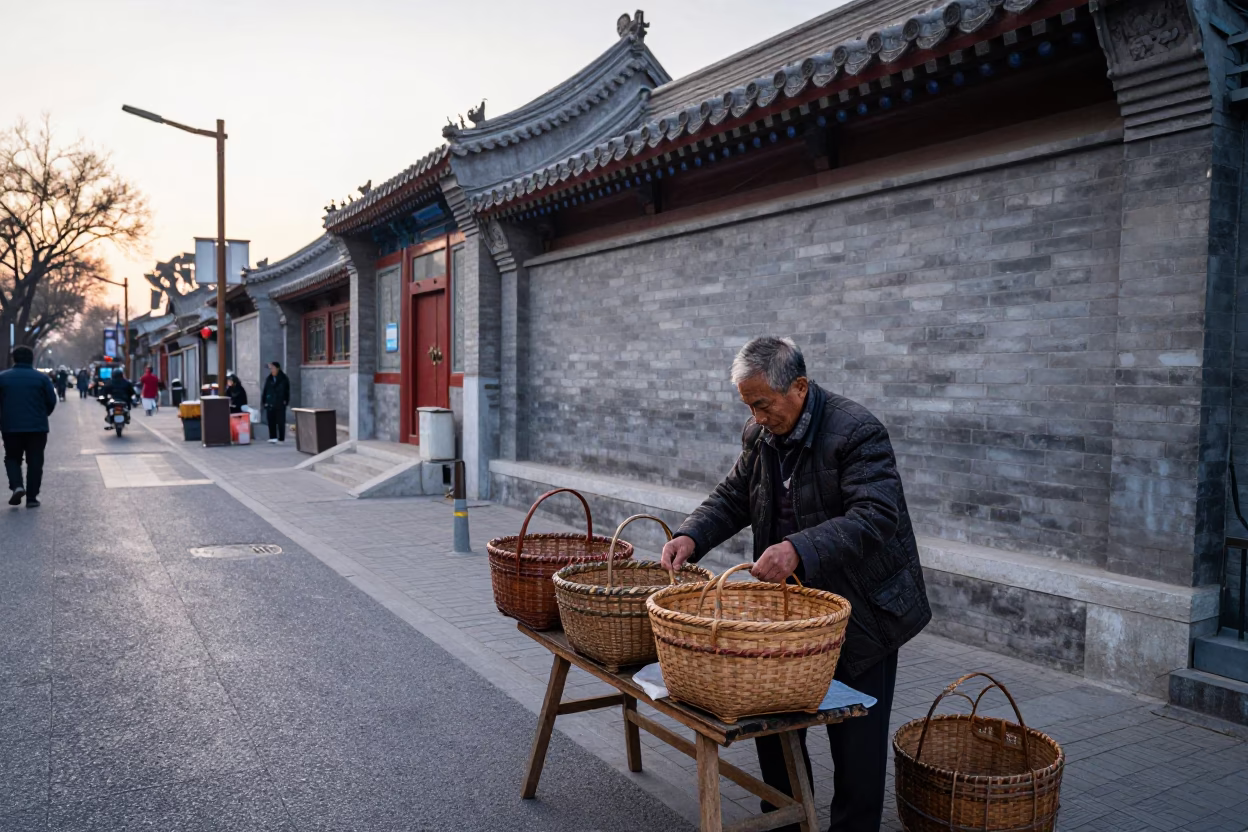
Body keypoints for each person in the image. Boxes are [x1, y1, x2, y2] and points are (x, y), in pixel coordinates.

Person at [661, 336, 930, 832]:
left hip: (865, 610)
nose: (758, 416)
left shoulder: (857, 431)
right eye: (749, 406)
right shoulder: (760, 435)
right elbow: (734, 496)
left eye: (763, 403)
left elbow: (877, 516)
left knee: (857, 742)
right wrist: (691, 535)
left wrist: (798, 549)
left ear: (799, 387)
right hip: (790, 615)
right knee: (777, 728)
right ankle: (786, 820)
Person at [0, 345, 57, 508]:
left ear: (14, 359)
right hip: (37, 428)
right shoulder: (42, 379)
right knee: (35, 461)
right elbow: (51, 401)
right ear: (32, 359)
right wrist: (42, 415)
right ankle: (32, 497)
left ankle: (17, 485)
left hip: (10, 427)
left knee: (12, 458)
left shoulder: (3, 378)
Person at [261, 361, 290, 443]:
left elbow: (287, 391)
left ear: (278, 368)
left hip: (280, 402)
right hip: (270, 402)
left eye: (273, 368)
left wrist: (286, 401)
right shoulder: (269, 379)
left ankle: (281, 438)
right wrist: (264, 402)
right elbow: (265, 391)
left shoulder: (284, 378)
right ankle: (272, 437)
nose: (272, 370)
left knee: (281, 421)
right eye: (270, 368)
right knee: (271, 420)